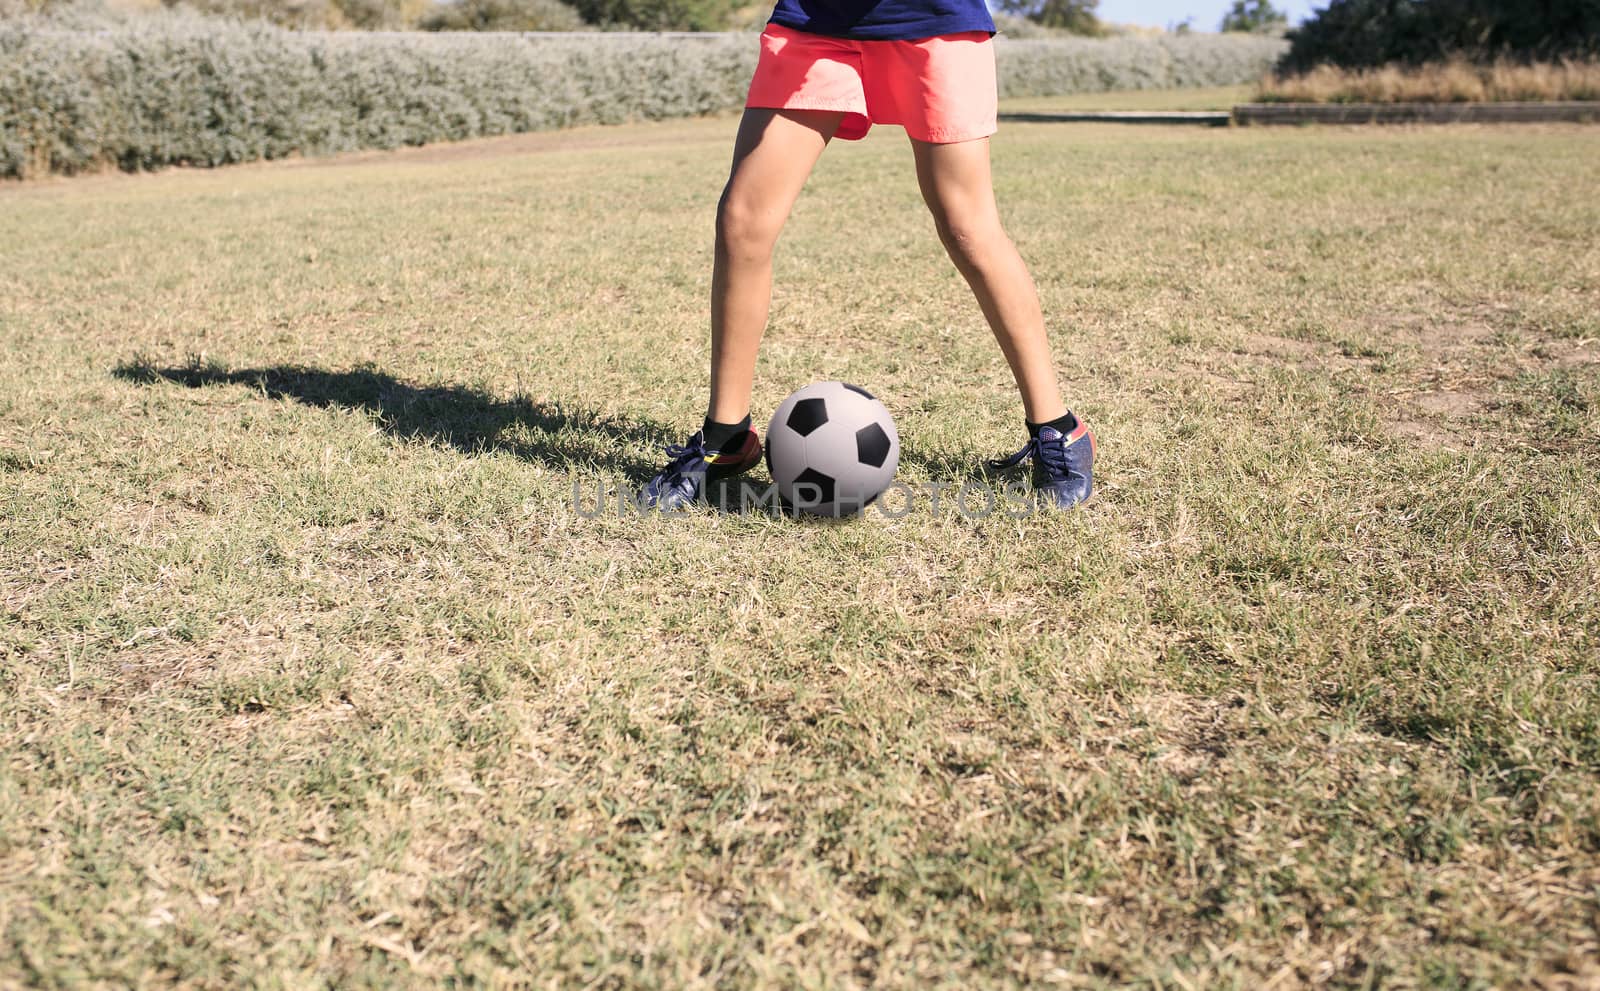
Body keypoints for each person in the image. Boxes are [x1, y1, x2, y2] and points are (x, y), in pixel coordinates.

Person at [641, 0, 1096, 511]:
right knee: (742, 223)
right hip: (815, 21)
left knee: (968, 227)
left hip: (933, 21)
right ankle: (726, 436)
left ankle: (1057, 429)